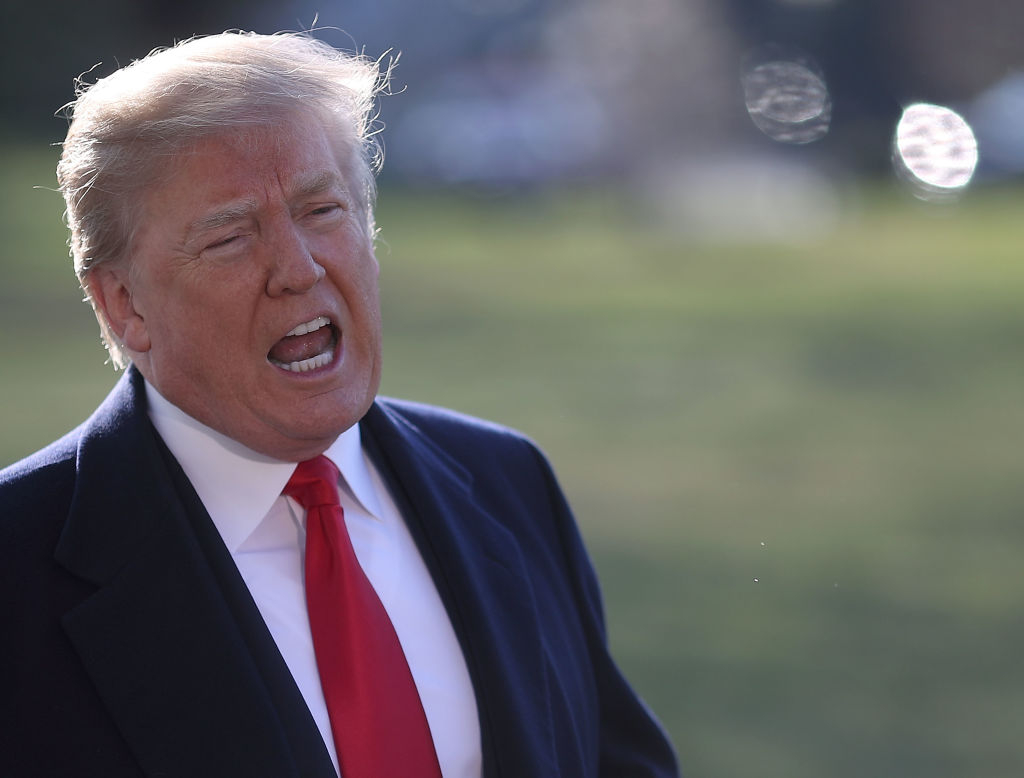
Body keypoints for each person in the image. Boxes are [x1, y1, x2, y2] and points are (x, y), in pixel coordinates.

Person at [0, 31, 679, 778]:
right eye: (230, 238)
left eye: (323, 210)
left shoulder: (508, 481)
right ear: (123, 302)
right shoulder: (18, 567)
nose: (297, 268)